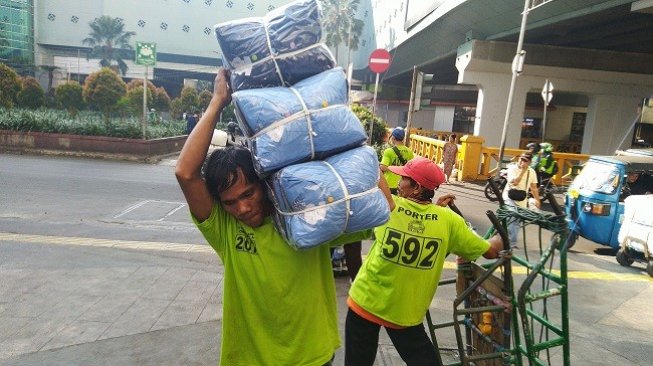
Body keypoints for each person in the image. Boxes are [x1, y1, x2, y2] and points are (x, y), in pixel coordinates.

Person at [175, 68, 386, 366]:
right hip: (249, 359)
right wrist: (218, 101)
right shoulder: (225, 228)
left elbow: (383, 205)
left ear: (264, 184)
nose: (242, 209)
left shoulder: (307, 218)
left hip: (312, 357)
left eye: (248, 194)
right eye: (230, 202)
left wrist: (347, 148)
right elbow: (185, 173)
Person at [344, 156, 506, 366]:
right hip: (405, 314)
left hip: (365, 301)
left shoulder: (390, 208)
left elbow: (373, 174)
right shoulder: (449, 221)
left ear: (417, 187)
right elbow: (491, 251)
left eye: (403, 178)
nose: (399, 182)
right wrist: (503, 234)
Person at [502, 152, 541, 247]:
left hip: (522, 198)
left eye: (525, 161)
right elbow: (514, 182)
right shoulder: (512, 168)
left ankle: (512, 242)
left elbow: (534, 187)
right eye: (521, 159)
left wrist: (538, 200)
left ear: (530, 162)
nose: (522, 162)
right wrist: (523, 171)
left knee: (517, 221)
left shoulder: (531, 171)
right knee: (513, 216)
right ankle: (509, 243)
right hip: (509, 196)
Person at [380, 127, 414, 194]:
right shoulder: (410, 152)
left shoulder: (389, 151)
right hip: (403, 185)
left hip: (388, 184)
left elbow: (383, 167)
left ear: (393, 138)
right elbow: (411, 169)